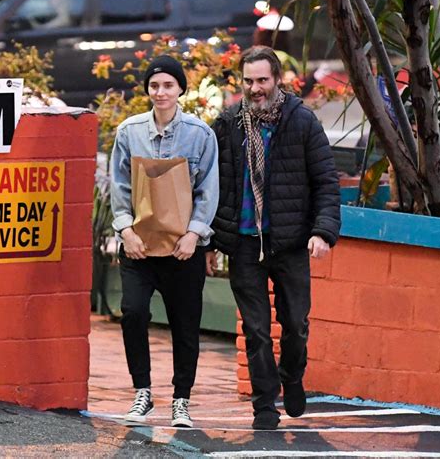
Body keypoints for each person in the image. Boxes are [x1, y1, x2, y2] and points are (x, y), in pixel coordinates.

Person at [205, 45, 341, 430]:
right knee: (256, 330)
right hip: (245, 243)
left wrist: (323, 232)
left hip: (290, 242)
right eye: (248, 81)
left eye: (262, 80)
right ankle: (265, 405)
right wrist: (213, 241)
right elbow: (215, 186)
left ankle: (292, 376)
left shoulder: (301, 121)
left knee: (295, 324)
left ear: (277, 79)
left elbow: (325, 182)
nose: (255, 88)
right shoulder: (229, 123)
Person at [110, 55, 219, 428]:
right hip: (139, 246)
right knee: (134, 311)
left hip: (182, 249)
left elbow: (208, 190)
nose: (160, 92)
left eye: (168, 85)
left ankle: (181, 399)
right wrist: (126, 230)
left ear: (181, 89)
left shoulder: (200, 134)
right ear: (147, 90)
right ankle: (142, 391)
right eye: (154, 85)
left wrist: (194, 234)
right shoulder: (129, 132)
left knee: (186, 324)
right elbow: (120, 186)